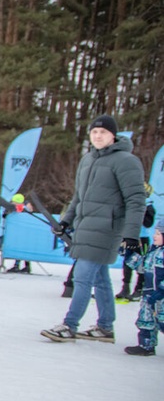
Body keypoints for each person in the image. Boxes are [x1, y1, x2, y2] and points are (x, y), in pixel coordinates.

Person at [41, 115, 146, 343]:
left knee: (82, 276)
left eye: (103, 133)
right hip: (85, 228)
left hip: (107, 229)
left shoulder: (126, 161)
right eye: (94, 132)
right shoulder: (87, 160)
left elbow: (136, 200)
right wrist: (66, 222)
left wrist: (131, 234)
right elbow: (79, 197)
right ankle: (105, 327)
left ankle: (70, 325)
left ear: (113, 136)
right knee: (100, 279)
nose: (98, 136)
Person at [125, 221, 164, 356]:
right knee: (146, 320)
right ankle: (146, 345)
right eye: (155, 233)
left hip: (161, 296)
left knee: (162, 320)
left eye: (158, 233)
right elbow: (141, 267)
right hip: (149, 294)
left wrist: (161, 291)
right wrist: (129, 254)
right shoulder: (153, 252)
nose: (154, 236)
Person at [116, 192, 155, 300]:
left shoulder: (149, 205)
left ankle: (139, 289)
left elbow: (148, 223)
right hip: (130, 236)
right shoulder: (130, 203)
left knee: (141, 264)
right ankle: (126, 287)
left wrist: (140, 212)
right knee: (127, 263)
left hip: (142, 238)